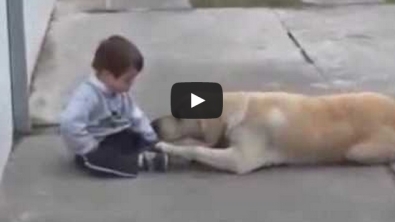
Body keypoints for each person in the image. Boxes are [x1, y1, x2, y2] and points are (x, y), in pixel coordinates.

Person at [59, 35, 168, 178]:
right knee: (103, 161)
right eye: (127, 80)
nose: (131, 85)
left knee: (134, 136)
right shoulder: (87, 96)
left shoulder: (119, 92)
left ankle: (150, 151)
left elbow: (135, 115)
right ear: (107, 75)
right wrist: (88, 147)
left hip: (115, 135)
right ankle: (140, 161)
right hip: (97, 144)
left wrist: (150, 137)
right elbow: (69, 123)